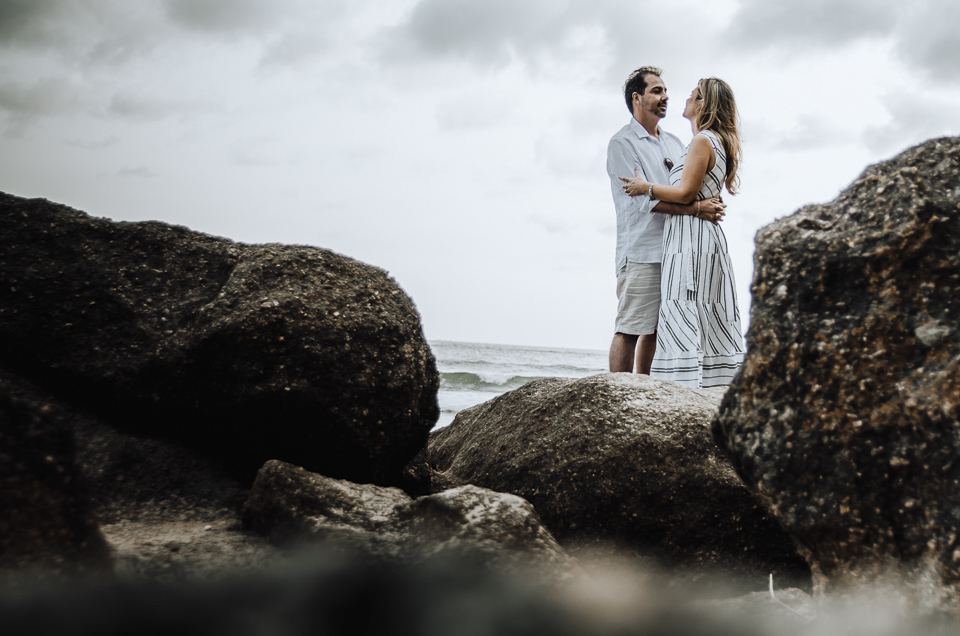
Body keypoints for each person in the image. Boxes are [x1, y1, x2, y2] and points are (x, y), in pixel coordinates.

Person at [619, 77, 744, 387]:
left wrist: (644, 187)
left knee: (686, 304)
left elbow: (687, 193)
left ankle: (684, 387)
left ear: (704, 104)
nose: (684, 99)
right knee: (701, 310)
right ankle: (707, 386)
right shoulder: (711, 140)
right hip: (697, 236)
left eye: (694, 95)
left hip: (691, 239)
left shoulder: (703, 140)